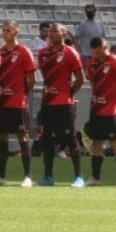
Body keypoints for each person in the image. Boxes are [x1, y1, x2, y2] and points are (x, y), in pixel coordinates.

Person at [37, 23, 86, 187]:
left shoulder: (70, 53)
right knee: (46, 139)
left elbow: (80, 79)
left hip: (64, 103)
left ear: (64, 34)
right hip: (47, 102)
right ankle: (48, 176)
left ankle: (79, 177)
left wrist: (69, 92)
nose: (51, 34)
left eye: (55, 31)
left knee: (71, 138)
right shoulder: (42, 53)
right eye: (50, 31)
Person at [0, 20, 38, 188]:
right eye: (4, 30)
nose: (5, 33)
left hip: (17, 103)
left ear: (16, 32)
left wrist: (22, 93)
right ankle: (0, 176)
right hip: (1, 102)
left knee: (22, 137)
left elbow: (31, 78)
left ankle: (27, 176)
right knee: (1, 137)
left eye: (8, 30)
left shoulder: (24, 52)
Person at [83, 37, 116, 187]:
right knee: (96, 143)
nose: (99, 52)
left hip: (111, 110)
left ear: (106, 47)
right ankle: (95, 178)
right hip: (96, 109)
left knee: (115, 143)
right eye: (95, 49)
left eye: (102, 48)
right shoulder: (91, 63)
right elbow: (92, 82)